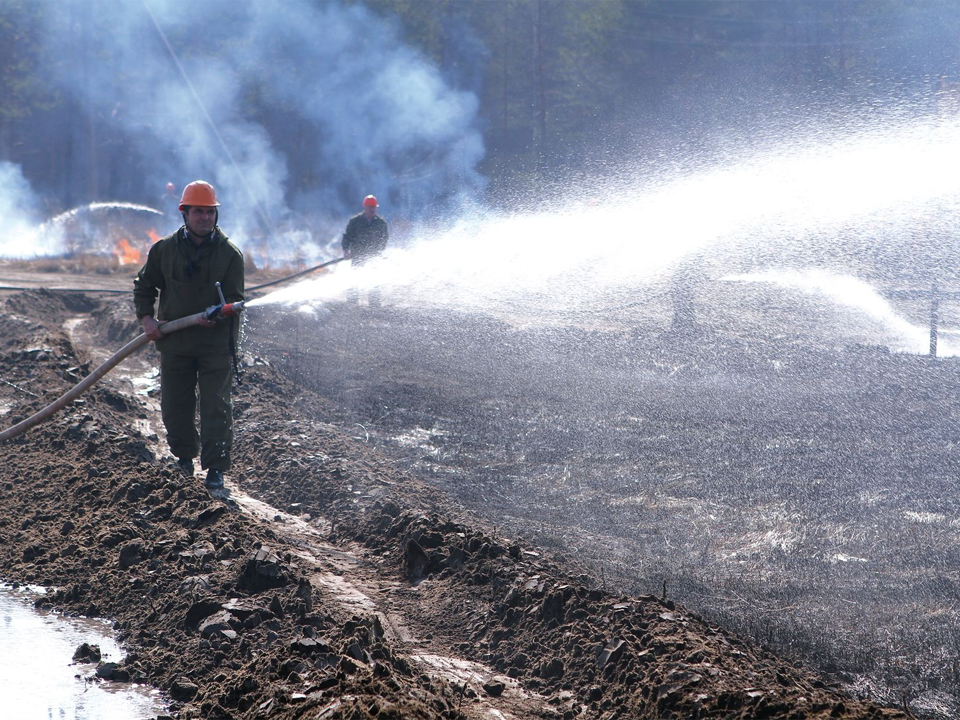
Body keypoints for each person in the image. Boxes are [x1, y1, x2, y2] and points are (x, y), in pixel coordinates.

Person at [133, 180, 245, 490]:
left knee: (217, 407)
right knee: (175, 406)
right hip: (176, 343)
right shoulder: (164, 250)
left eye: (210, 212)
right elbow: (144, 285)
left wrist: (221, 314)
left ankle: (216, 469)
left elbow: (235, 302)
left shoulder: (230, 255)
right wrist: (146, 319)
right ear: (184, 213)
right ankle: (183, 458)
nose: (205, 218)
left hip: (215, 347)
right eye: (199, 212)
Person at [341, 194, 388, 306]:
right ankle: (352, 304)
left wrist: (377, 251)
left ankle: (374, 305)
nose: (372, 209)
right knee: (354, 280)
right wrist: (346, 250)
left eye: (373, 207)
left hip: (373, 257)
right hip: (357, 255)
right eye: (370, 207)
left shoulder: (381, 223)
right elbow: (347, 236)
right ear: (365, 207)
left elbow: (384, 239)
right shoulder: (355, 221)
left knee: (374, 280)